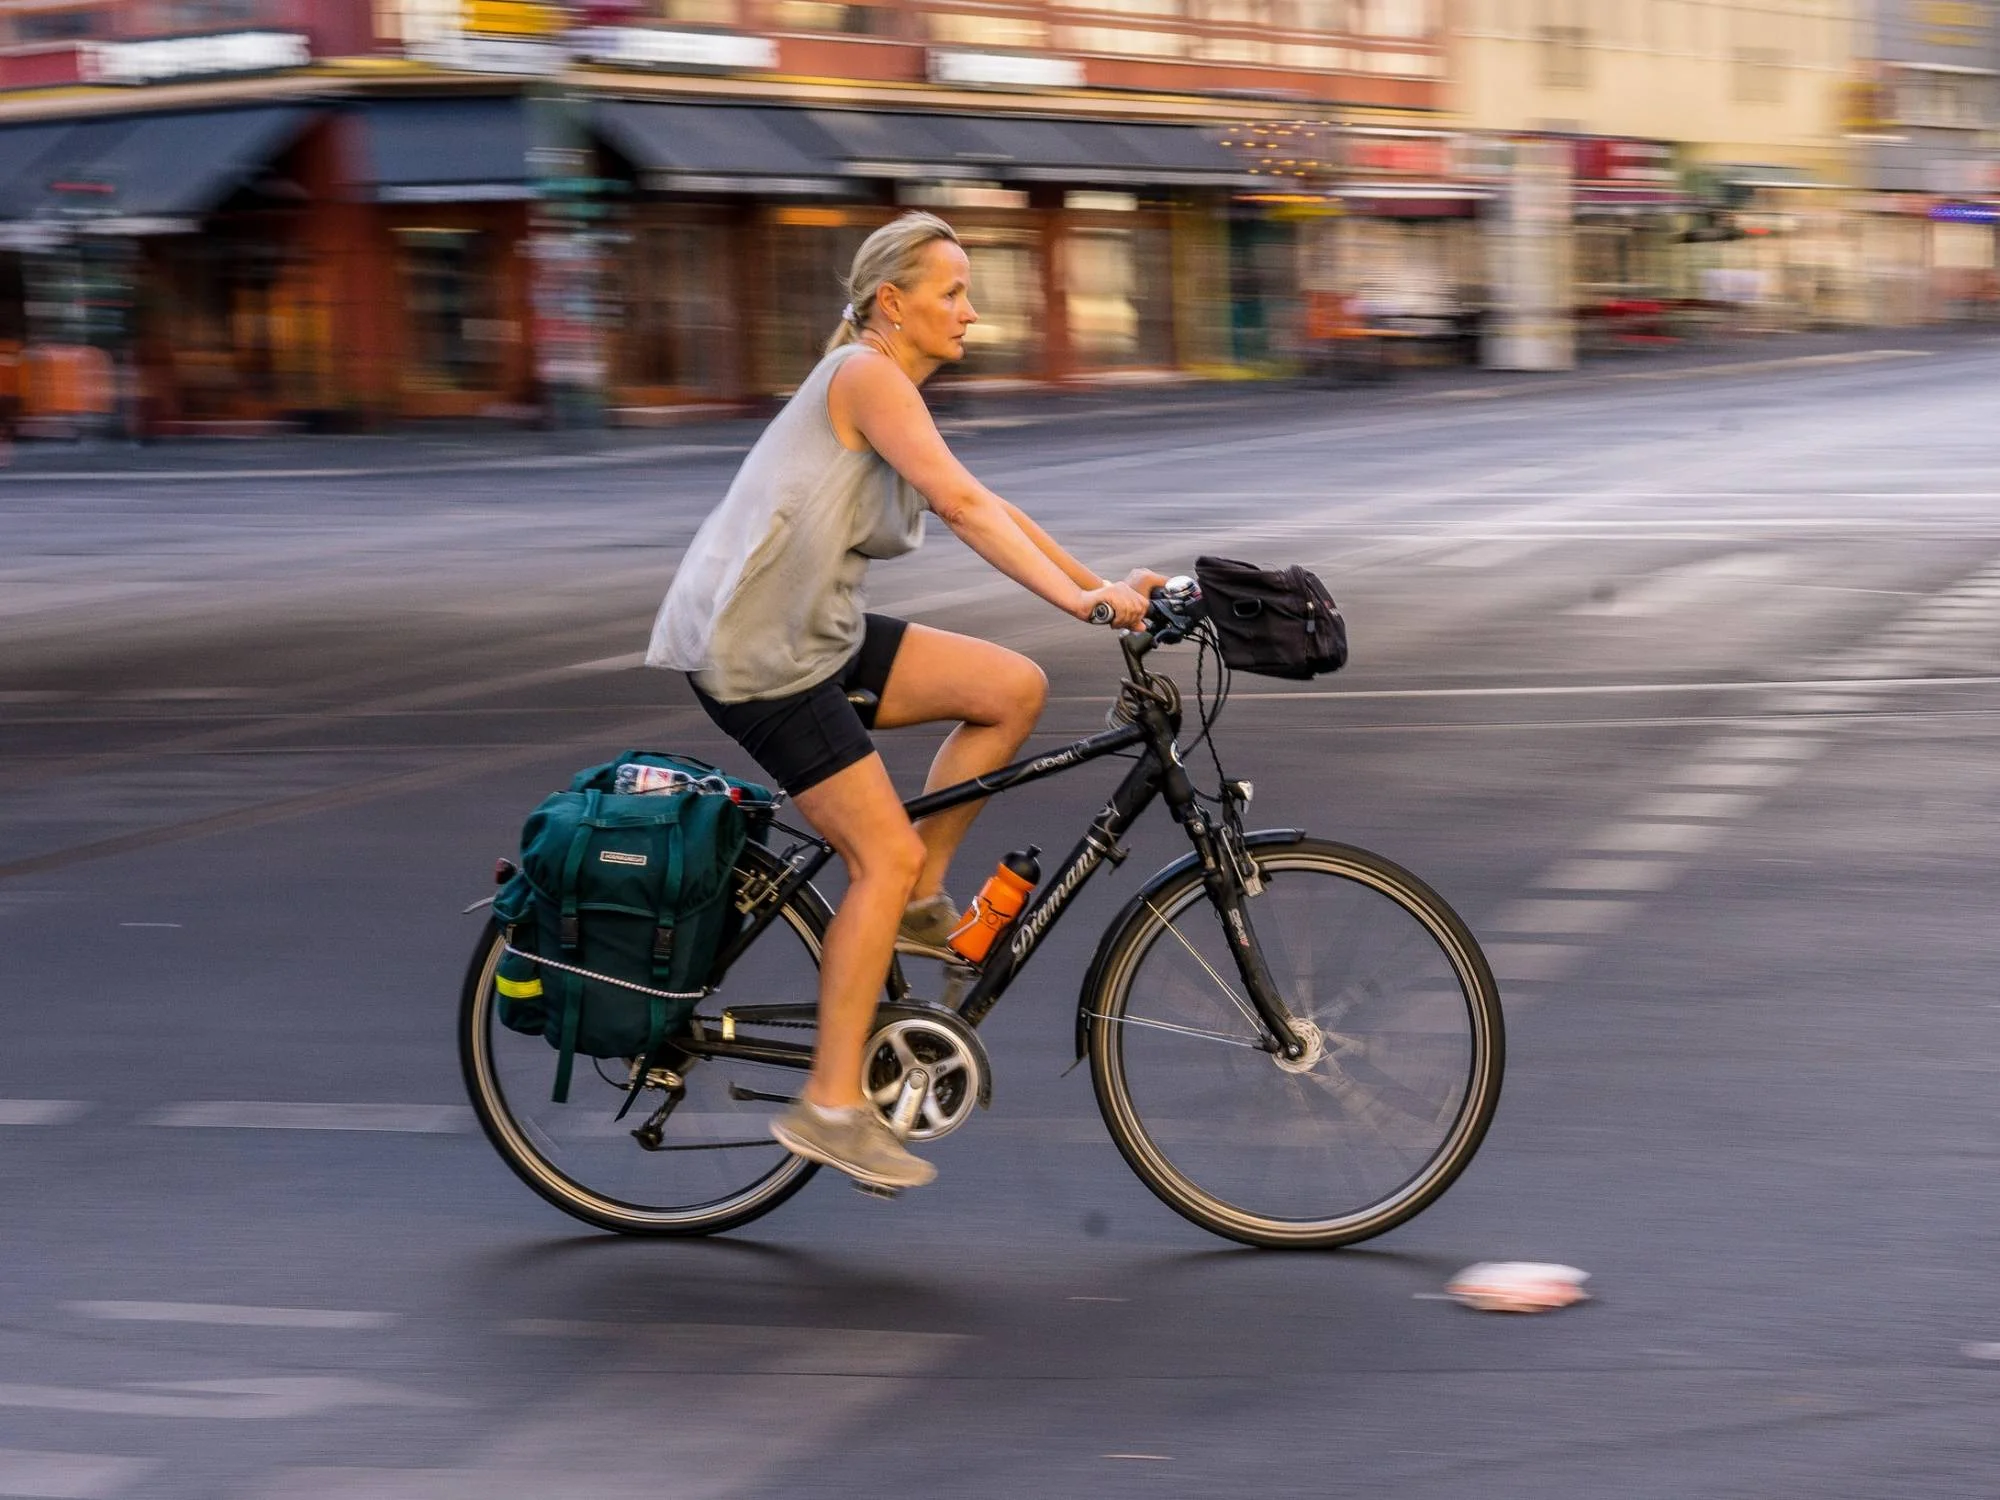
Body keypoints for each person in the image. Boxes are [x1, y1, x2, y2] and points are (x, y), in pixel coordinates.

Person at [647, 211, 1163, 1191]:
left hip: (813, 634)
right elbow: (965, 511)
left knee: (1009, 687)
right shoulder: (864, 376)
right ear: (893, 302)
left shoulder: (885, 387)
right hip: (757, 653)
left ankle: (917, 903)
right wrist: (1083, 606)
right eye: (952, 292)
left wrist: (1101, 587)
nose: (970, 311)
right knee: (876, 855)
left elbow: (987, 502)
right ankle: (831, 1105)